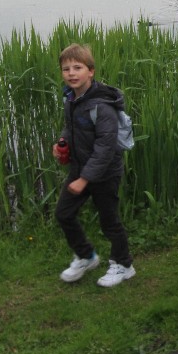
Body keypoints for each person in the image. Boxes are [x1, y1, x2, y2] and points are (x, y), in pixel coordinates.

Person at [53, 43, 135, 288]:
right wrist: (62, 142)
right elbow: (71, 128)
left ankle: (124, 265)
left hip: (105, 173)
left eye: (77, 67)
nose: (71, 73)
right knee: (63, 213)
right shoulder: (72, 99)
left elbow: (105, 147)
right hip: (81, 169)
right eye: (66, 69)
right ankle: (86, 256)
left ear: (91, 71)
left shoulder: (102, 106)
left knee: (109, 221)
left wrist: (84, 179)